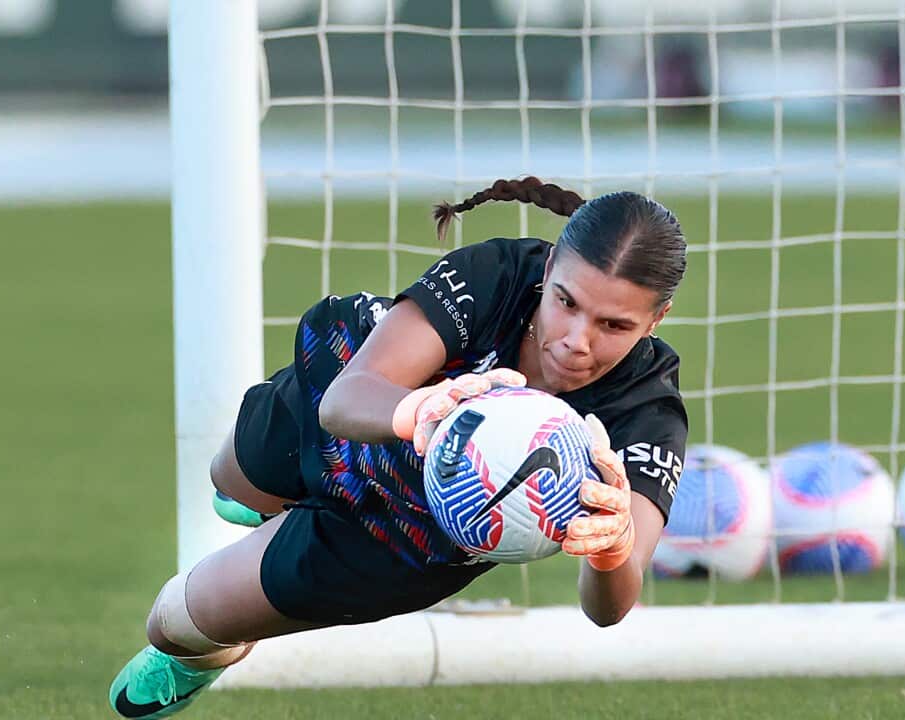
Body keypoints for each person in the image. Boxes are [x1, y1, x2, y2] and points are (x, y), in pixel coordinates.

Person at [108, 177, 690, 718]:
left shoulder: (648, 410)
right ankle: (273, 505)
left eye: (613, 326)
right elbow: (345, 401)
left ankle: (207, 651)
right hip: (352, 419)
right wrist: (417, 410)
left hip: (406, 533)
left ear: (656, 319)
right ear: (551, 264)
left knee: (176, 622)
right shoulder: (500, 273)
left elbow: (609, 607)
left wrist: (613, 548)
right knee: (227, 479)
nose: (575, 341)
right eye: (566, 302)